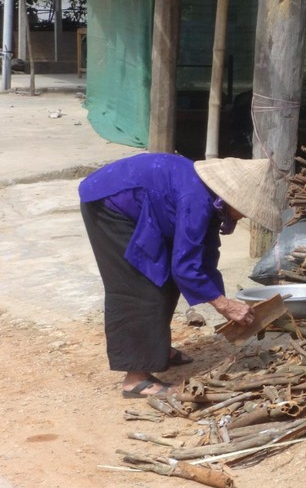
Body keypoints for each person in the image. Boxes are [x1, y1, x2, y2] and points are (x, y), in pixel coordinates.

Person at [79, 152, 282, 398]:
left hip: (141, 200)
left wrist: (220, 298)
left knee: (167, 278)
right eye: (246, 210)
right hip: (109, 203)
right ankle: (135, 379)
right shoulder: (196, 200)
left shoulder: (210, 200)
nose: (246, 216)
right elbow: (185, 267)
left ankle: (156, 349)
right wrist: (223, 305)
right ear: (232, 200)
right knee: (141, 285)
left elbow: (202, 255)